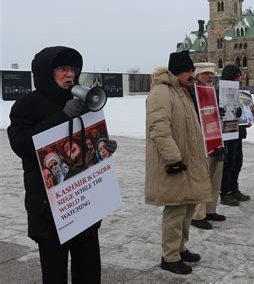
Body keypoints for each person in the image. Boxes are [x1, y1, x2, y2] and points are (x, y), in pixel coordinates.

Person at [7, 46, 117, 283]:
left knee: (88, 271)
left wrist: (103, 147)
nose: (70, 75)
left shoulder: (83, 101)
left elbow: (87, 143)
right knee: (55, 273)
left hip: (83, 203)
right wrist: (61, 118)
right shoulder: (27, 105)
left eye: (74, 69)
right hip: (49, 208)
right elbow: (21, 145)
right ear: (47, 71)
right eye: (63, 69)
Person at [144, 50, 212, 275]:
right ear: (178, 71)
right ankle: (169, 256)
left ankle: (180, 248)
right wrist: (174, 158)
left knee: (187, 207)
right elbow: (159, 129)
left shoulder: (182, 90)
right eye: (189, 71)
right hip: (173, 163)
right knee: (175, 211)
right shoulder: (161, 92)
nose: (192, 74)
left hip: (188, 162)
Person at [188, 62, 226, 230]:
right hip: (199, 139)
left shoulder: (211, 90)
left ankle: (210, 209)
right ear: (197, 75)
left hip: (214, 136)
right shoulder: (190, 91)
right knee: (201, 178)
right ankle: (197, 214)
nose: (210, 77)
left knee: (215, 175)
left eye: (211, 74)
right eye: (206, 74)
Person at [219, 65, 251, 206]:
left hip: (238, 131)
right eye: (237, 76)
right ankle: (225, 192)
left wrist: (246, 119)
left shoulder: (240, 92)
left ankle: (234, 188)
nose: (239, 79)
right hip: (226, 133)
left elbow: (243, 110)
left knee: (237, 161)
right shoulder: (219, 92)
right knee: (228, 163)